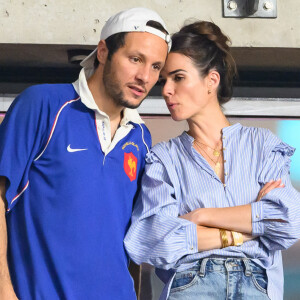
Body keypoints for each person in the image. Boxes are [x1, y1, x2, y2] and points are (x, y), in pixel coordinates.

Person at [0, 7, 170, 300]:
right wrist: (4, 291)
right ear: (103, 52)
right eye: (135, 59)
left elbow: (132, 240)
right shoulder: (43, 105)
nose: (144, 76)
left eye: (156, 67)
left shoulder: (141, 138)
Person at [124, 20, 300, 300]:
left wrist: (202, 216)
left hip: (256, 285)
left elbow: (287, 220)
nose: (167, 90)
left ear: (212, 81)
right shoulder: (163, 158)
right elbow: (151, 239)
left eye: (178, 77)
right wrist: (246, 229)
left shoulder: (262, 144)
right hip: (192, 284)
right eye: (164, 81)